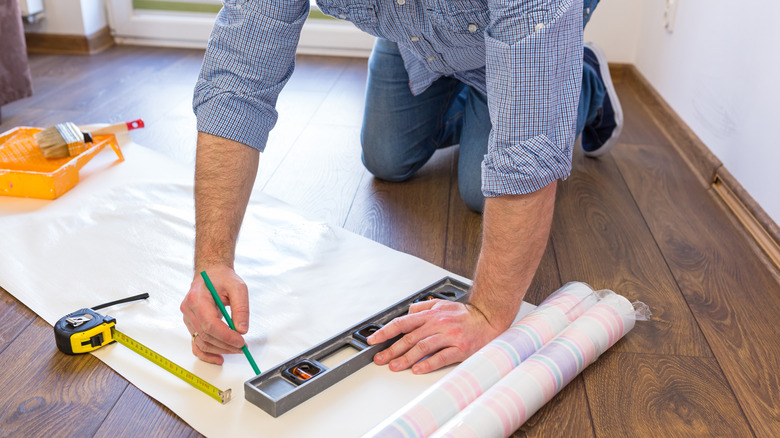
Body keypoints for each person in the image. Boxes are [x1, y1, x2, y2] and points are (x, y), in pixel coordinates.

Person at [180, 0, 622, 375]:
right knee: (386, 157)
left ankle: (579, 77)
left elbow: (528, 147)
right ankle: (453, 65)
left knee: (477, 186)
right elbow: (237, 86)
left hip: (523, 26)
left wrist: (486, 315)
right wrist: (212, 262)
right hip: (421, 20)